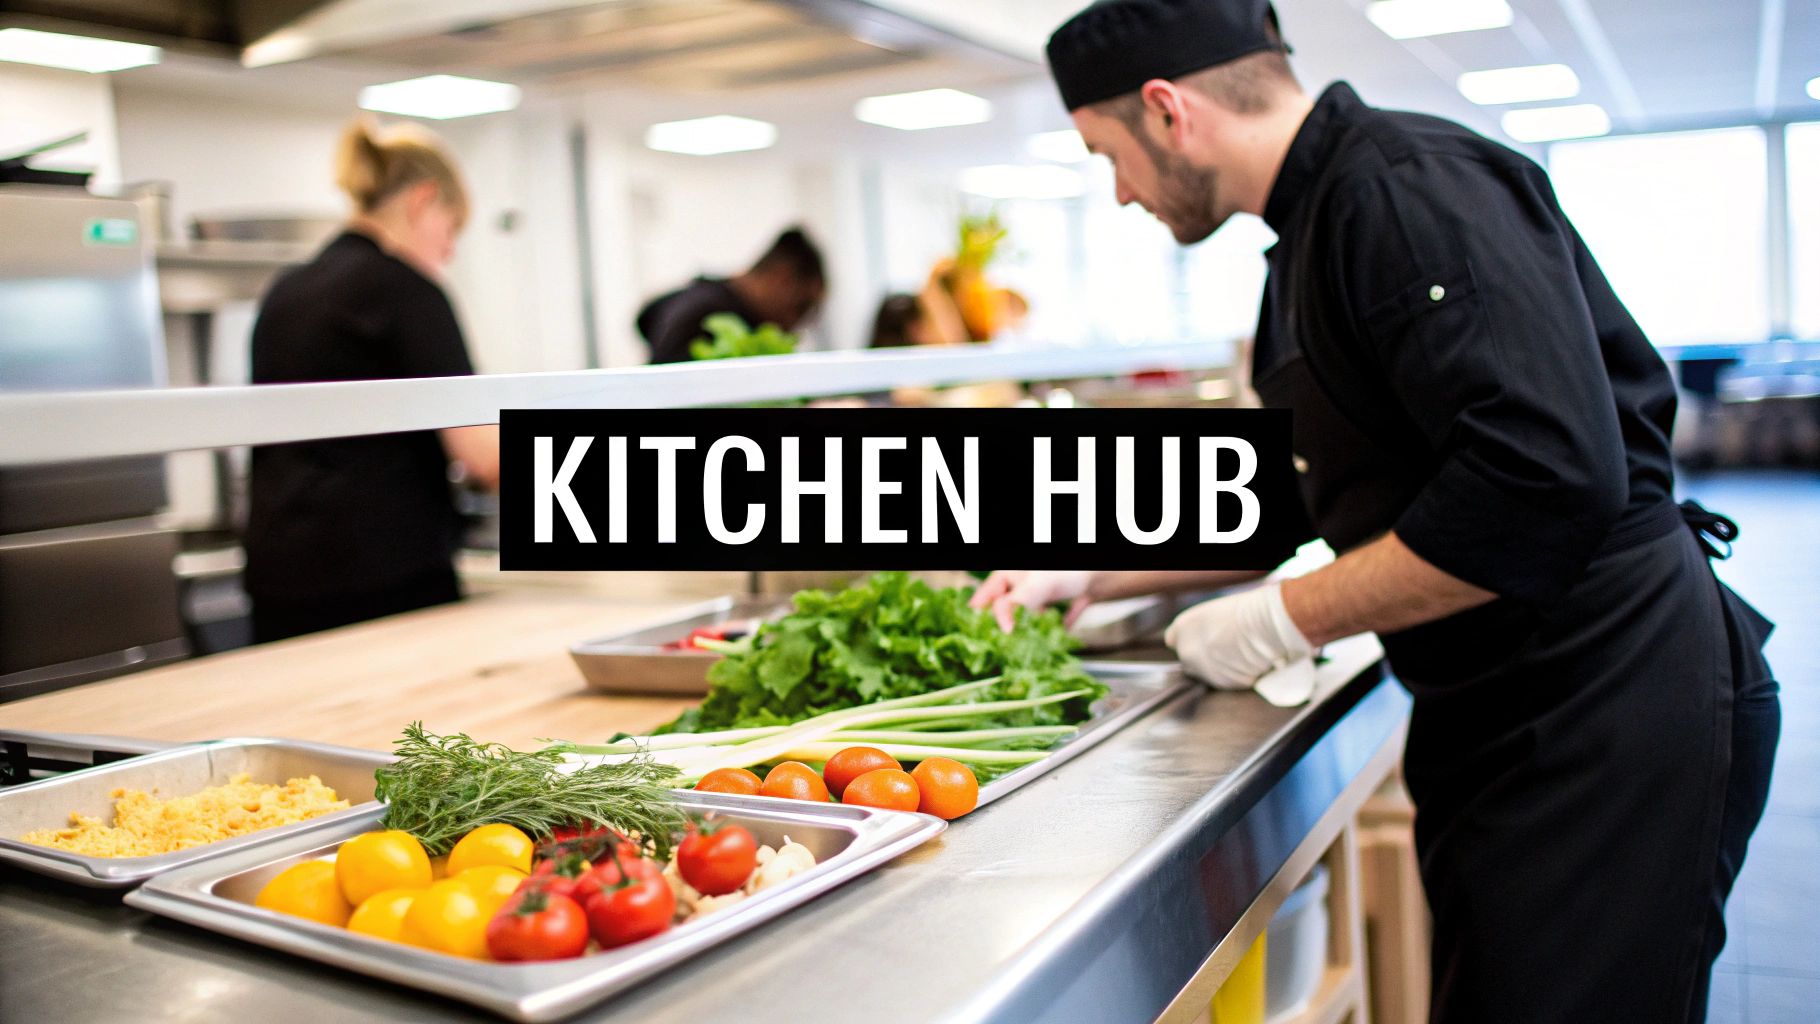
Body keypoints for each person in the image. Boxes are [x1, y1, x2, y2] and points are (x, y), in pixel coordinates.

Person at [975, 2, 1780, 1021]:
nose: (1121, 194)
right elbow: (1306, 485)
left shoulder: (1406, 189)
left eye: (1107, 156)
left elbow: (1537, 483)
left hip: (1604, 700)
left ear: (1166, 110)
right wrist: (1085, 571)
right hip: (1501, 709)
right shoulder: (1307, 236)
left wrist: (1287, 615)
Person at [244, 117, 498, 644]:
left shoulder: (288, 289)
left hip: (280, 578)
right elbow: (483, 456)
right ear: (423, 201)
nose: (450, 250)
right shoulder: (407, 291)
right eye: (452, 228)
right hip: (383, 577)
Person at [636, 227, 826, 363]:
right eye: (801, 307)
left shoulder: (697, 301)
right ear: (781, 278)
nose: (796, 325)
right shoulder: (704, 314)